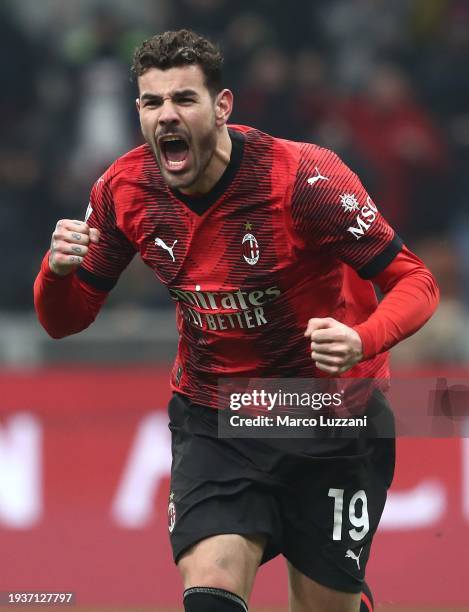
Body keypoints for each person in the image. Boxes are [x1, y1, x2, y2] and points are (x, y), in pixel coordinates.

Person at [34, 29, 439, 612]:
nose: (166, 116)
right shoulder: (126, 189)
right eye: (152, 103)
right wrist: (56, 272)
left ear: (222, 107)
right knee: (211, 595)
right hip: (217, 414)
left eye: (184, 100)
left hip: (328, 412)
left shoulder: (302, 179)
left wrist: (361, 339)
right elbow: (64, 321)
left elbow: (415, 280)